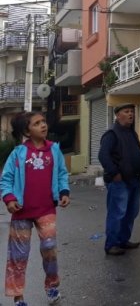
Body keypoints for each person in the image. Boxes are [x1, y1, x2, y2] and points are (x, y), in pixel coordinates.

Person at [1, 111, 70, 306]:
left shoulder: (54, 150)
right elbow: (6, 179)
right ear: (27, 131)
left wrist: (64, 192)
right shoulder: (18, 153)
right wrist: (9, 198)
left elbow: (62, 174)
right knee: (18, 256)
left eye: (43, 122)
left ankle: (52, 286)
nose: (43, 125)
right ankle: (18, 297)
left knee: (49, 249)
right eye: (37, 123)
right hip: (21, 212)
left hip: (46, 209)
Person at [98, 103, 140, 256]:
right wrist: (115, 173)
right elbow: (103, 155)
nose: (131, 114)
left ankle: (123, 240)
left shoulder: (131, 133)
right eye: (126, 111)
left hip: (134, 179)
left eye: (132, 112)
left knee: (131, 212)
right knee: (118, 212)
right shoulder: (111, 134)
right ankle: (111, 244)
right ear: (118, 115)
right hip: (119, 181)